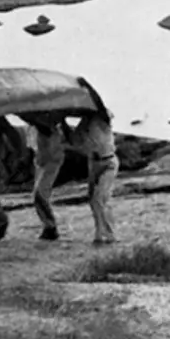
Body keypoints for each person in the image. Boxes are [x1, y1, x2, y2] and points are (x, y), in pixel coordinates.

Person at [64, 102, 119, 246]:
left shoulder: (103, 116)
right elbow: (74, 140)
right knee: (94, 200)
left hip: (109, 162)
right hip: (93, 163)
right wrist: (63, 122)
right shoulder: (84, 123)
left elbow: (102, 109)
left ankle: (110, 235)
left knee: (100, 198)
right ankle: (100, 234)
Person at [24, 113, 68, 242]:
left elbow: (45, 128)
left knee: (40, 194)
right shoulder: (34, 127)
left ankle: (51, 226)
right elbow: (33, 147)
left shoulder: (47, 124)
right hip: (41, 160)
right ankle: (48, 226)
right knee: (38, 195)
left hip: (52, 160)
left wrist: (24, 115)